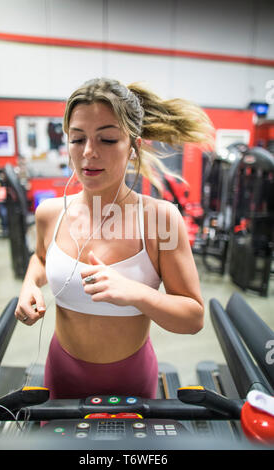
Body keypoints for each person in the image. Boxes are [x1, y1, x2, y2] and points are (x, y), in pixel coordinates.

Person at [15, 78, 214, 400]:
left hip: (131, 377)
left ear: (133, 147)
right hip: (61, 371)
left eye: (107, 139)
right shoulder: (50, 213)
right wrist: (29, 285)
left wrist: (137, 294)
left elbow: (193, 318)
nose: (89, 153)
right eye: (78, 139)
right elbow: (40, 258)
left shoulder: (160, 219)